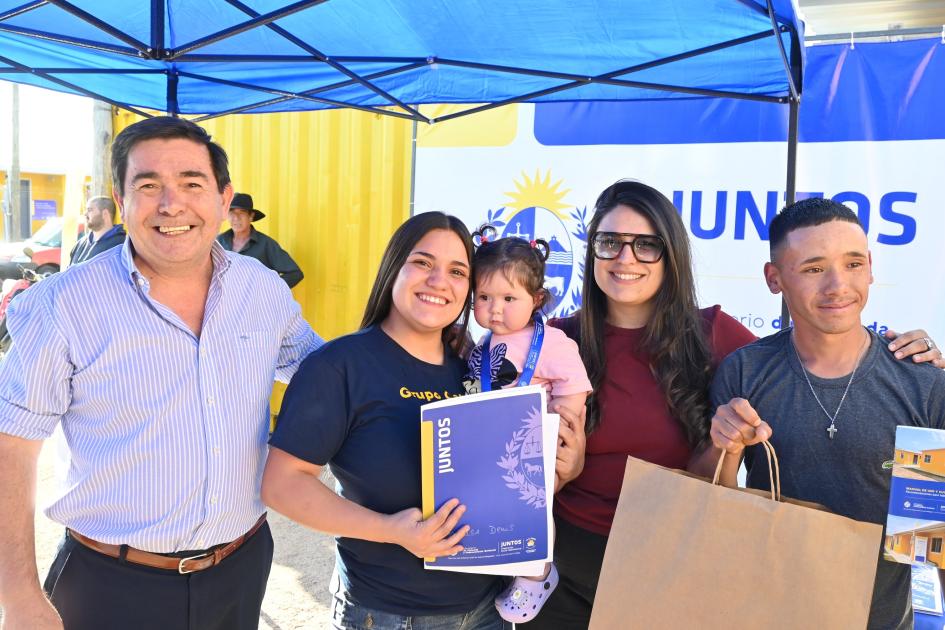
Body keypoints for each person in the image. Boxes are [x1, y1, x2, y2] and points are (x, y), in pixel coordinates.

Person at [527, 180, 943, 629]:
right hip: (564, 568)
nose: (626, 259)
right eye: (610, 242)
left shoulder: (717, 339)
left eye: (646, 245)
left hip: (674, 567)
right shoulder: (551, 340)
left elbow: (931, 530)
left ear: (671, 254)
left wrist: (918, 361)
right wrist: (558, 475)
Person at [0, 116, 322, 630]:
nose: (172, 204)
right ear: (121, 199)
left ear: (223, 197)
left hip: (240, 568)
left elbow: (324, 373)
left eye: (192, 184)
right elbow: (10, 448)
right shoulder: (61, 306)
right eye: (148, 186)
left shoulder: (260, 289)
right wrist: (18, 595)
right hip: (109, 584)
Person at [261, 212, 587, 630]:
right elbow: (282, 484)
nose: (439, 281)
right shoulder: (340, 366)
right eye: (423, 263)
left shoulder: (476, 367)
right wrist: (390, 530)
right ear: (394, 266)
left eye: (457, 271)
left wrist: (564, 466)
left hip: (489, 609)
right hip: (392, 613)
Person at [709, 197, 945, 630]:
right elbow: (718, 507)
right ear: (774, 278)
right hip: (767, 610)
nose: (838, 285)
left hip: (885, 618)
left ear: (871, 267)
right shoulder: (746, 372)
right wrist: (723, 447)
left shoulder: (922, 382)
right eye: (814, 269)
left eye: (853, 264)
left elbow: (928, 536)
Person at [463, 232, 592, 623]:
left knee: (532, 508)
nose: (494, 309)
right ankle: (501, 560)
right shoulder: (483, 343)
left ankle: (536, 576)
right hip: (491, 444)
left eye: (508, 298)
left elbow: (574, 385)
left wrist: (559, 423)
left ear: (536, 300)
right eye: (483, 298)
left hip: (535, 444)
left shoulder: (552, 341)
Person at [217, 192, 304, 288]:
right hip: (226, 301)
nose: (236, 218)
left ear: (251, 216)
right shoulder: (218, 242)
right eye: (232, 213)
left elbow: (295, 274)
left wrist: (267, 289)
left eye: (241, 213)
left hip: (255, 302)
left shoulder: (266, 244)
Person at [69, 195, 126, 264]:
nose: (85, 214)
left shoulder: (122, 245)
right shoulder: (80, 244)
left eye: (90, 210)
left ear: (105, 213)